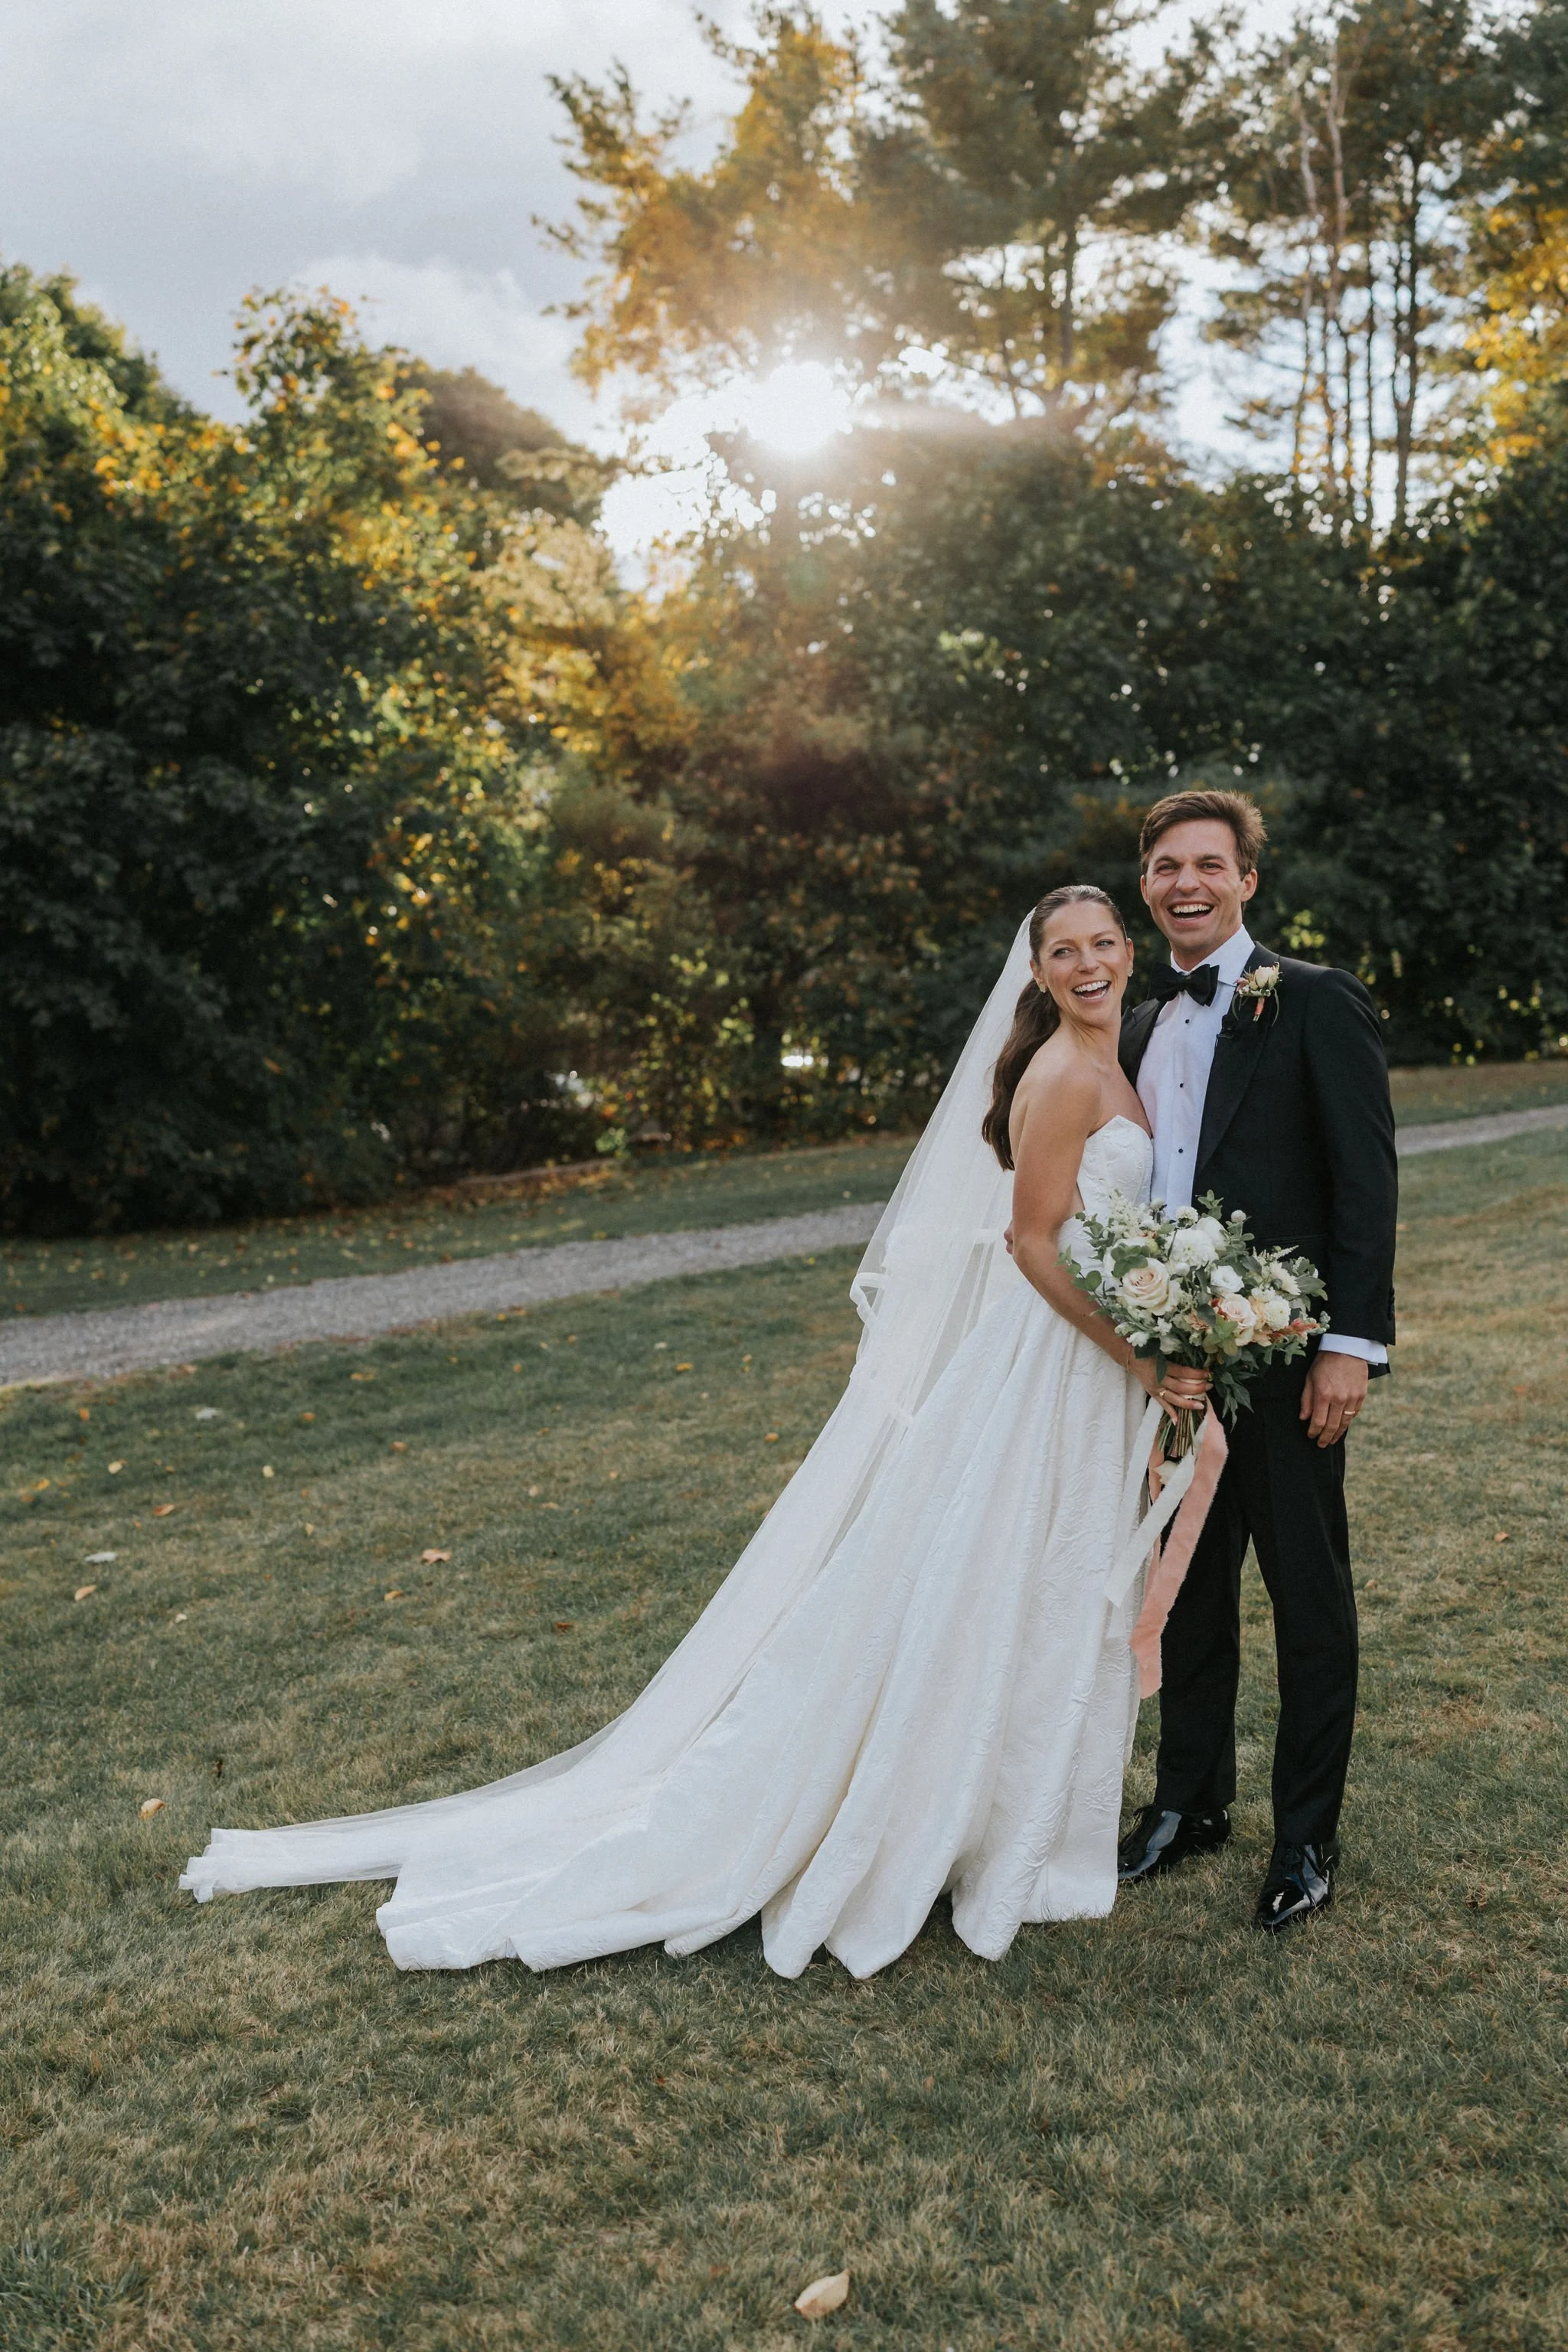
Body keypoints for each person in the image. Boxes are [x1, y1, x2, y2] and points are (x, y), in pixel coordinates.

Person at [182, 887, 1207, 1980]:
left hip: (1082, 1363)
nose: (1088, 962)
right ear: (1039, 970)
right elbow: (1032, 1243)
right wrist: (1140, 1356)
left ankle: (1013, 1821)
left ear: (1125, 952)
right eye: (1066, 950)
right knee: (999, 1572)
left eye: (1102, 944)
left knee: (1033, 1577)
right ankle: (939, 1819)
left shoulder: (1123, 1058)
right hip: (1046, 1364)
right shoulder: (1058, 1074)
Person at [1115, 789, 1398, 1932]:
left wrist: (1350, 1346)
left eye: (1208, 865)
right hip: (1172, 1373)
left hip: (1287, 1360)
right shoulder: (1135, 1021)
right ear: (1147, 885)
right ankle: (1191, 1806)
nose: (1187, 883)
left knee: (1309, 1602)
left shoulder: (1316, 1001)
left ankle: (1306, 1838)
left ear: (1247, 882)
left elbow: (1365, 1183)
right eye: (1166, 866)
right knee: (1185, 1594)